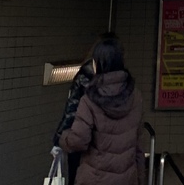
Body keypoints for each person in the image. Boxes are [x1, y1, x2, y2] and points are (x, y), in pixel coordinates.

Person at [59, 36, 144, 185]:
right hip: (126, 178)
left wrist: (64, 138)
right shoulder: (135, 95)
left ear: (98, 63)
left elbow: (79, 141)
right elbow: (138, 144)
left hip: (95, 178)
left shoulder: (90, 99)